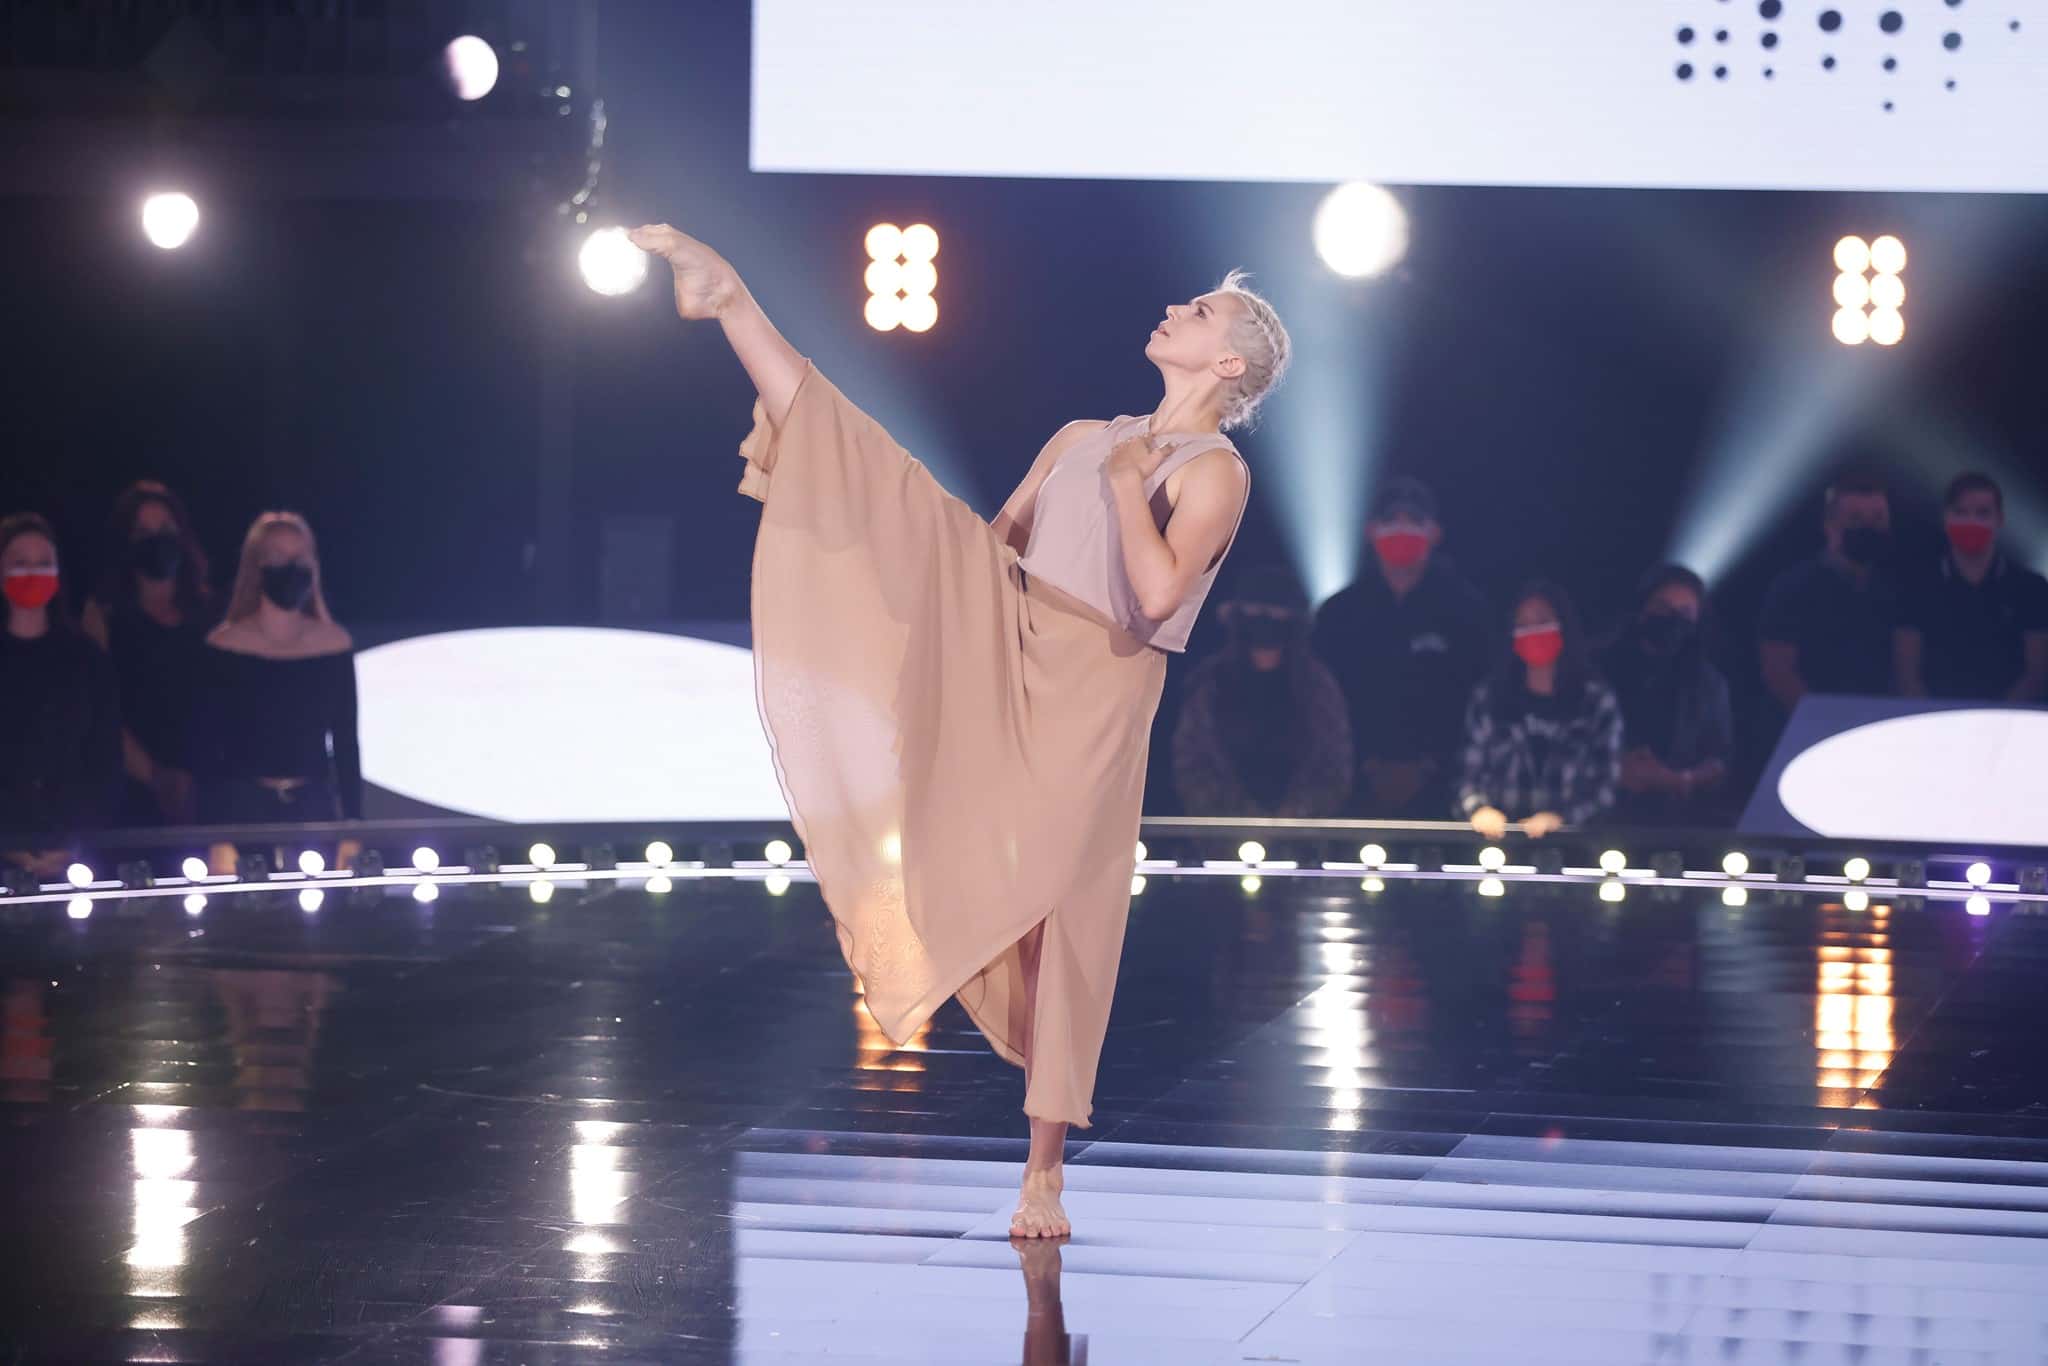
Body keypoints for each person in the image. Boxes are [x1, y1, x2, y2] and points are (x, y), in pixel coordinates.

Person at [629, 223, 1289, 1239]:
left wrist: (1127, 485)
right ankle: (731, 302)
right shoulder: (1079, 435)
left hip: (1094, 692)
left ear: (1229, 362)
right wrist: (913, 580)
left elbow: (1158, 594)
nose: (1174, 310)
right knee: (884, 477)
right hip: (1011, 629)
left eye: (1198, 311)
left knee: (1066, 914)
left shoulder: (1214, 472)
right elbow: (998, 544)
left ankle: (1044, 1169)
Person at [1310, 476, 1490, 819]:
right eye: (1391, 520)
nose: (1402, 529)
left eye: (1414, 521)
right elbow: (1323, 700)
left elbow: (1478, 697)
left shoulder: (1467, 610)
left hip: (1447, 794)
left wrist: (1428, 767)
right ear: (1371, 531)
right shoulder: (1337, 613)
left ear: (1434, 532)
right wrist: (1368, 765)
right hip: (1353, 790)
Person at [193, 512, 361, 826]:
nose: (290, 566)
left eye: (299, 557)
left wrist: (353, 824)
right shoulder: (224, 645)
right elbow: (207, 748)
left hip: (314, 811)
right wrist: (214, 834)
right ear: (257, 565)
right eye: (278, 556)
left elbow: (346, 743)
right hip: (242, 812)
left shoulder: (334, 643)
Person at [82, 481, 216, 825]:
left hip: (209, 789)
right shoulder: (103, 615)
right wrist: (157, 777)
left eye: (166, 530)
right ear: (125, 542)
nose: (157, 540)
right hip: (131, 790)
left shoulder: (212, 613)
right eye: (143, 532)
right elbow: (99, 710)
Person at [1172, 563, 1352, 817]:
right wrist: (1233, 819)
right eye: (1256, 612)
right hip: (1222, 831)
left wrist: (1293, 818)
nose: (1266, 622)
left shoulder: (1316, 685)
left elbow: (1333, 762)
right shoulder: (1209, 682)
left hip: (1300, 833)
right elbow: (1192, 760)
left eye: (1277, 614)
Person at [0, 513, 123, 875]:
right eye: (20, 563)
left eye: (43, 563)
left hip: (74, 855)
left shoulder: (87, 659)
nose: (32, 573)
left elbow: (105, 761)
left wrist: (72, 840)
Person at [1458, 581, 1622, 839]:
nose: (1533, 631)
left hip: (1572, 847)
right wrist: (1478, 809)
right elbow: (1466, 775)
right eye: (1523, 624)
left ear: (1564, 626)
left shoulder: (1596, 701)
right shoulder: (1489, 697)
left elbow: (1605, 788)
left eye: (1542, 621)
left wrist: (1562, 819)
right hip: (1496, 844)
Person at [1597, 565, 1734, 825]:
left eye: (1685, 612)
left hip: (1676, 822)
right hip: (1598, 817)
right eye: (1663, 607)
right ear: (1642, 608)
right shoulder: (1595, 668)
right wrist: (1616, 768)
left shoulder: (1708, 683)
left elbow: (1720, 759)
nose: (1672, 618)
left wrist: (1679, 780)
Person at [1896, 472, 2048, 703]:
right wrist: (1932, 716)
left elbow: (2037, 673)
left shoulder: (2030, 588)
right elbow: (1906, 675)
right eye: (1961, 512)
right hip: (1931, 718)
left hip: (2008, 719)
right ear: (1946, 518)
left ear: (1999, 519)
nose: (1971, 521)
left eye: (1982, 513)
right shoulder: (1916, 585)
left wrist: (1998, 716)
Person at [1758, 468, 1899, 714]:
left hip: (1880, 726)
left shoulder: (1891, 590)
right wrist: (1825, 719)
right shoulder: (1794, 589)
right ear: (1830, 526)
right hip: (1811, 726)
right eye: (1855, 519)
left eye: (1878, 518)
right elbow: (1778, 673)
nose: (1868, 527)